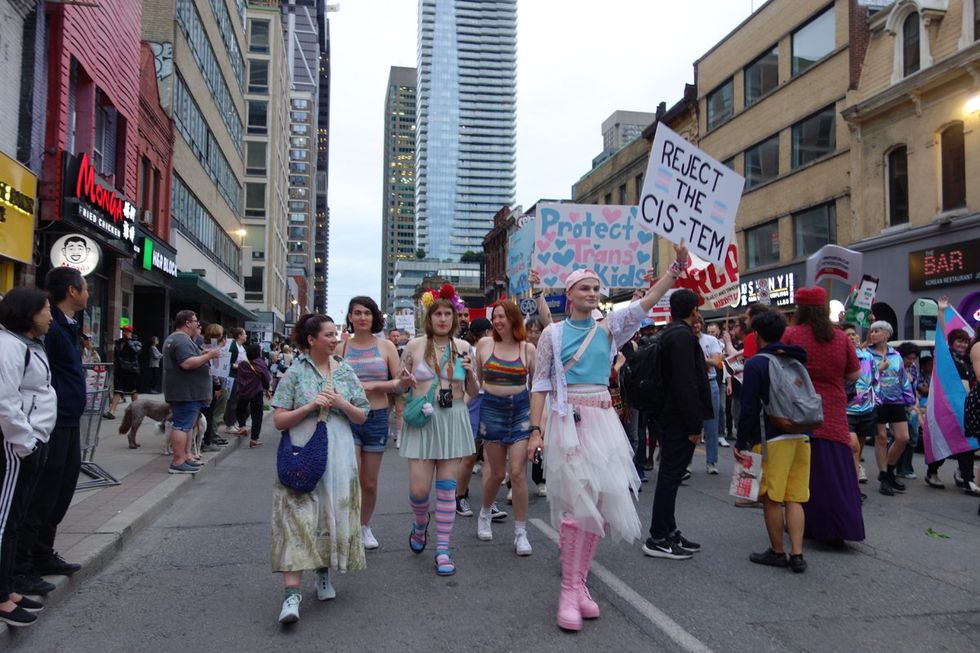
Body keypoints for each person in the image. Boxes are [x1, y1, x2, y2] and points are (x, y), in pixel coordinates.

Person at [529, 244, 686, 631]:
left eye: (596, 288)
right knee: (574, 507)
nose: (593, 294)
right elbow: (541, 384)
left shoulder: (609, 326)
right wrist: (536, 430)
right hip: (569, 421)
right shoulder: (552, 333)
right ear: (569, 294)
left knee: (597, 507)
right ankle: (568, 589)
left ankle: (580, 583)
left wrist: (675, 270)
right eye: (585, 288)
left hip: (604, 420)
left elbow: (647, 302)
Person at [270, 313, 369, 624]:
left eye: (334, 334)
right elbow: (278, 420)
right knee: (295, 518)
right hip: (301, 451)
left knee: (330, 514)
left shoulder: (346, 371)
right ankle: (291, 597)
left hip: (339, 453)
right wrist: (311, 406)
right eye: (327, 334)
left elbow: (362, 415)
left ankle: (323, 575)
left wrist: (341, 403)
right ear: (311, 340)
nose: (334, 338)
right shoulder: (295, 373)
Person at [13, 269, 88, 596]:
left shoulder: (68, 326)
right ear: (73, 291)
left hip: (69, 419)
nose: (88, 294)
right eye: (86, 288)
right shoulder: (52, 329)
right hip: (51, 423)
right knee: (42, 495)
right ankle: (22, 566)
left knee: (61, 490)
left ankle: (44, 552)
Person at [399, 284, 479, 577]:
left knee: (447, 490)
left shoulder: (465, 348)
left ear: (455, 317)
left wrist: (470, 373)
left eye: (448, 313)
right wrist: (405, 382)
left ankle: (443, 548)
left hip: (452, 417)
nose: (443, 319)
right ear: (429, 318)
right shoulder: (414, 346)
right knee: (419, 490)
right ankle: (420, 524)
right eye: (438, 314)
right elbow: (400, 385)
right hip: (422, 418)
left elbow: (474, 389)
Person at [782, 287, 864, 544]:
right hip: (834, 408)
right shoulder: (840, 338)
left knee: (805, 469)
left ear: (801, 309)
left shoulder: (791, 334)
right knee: (836, 468)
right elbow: (854, 374)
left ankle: (806, 523)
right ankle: (841, 527)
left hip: (801, 406)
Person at [735, 310, 810, 573]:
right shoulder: (796, 357)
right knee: (795, 498)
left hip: (771, 436)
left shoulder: (756, 363)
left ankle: (778, 551)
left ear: (756, 334)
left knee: (771, 498)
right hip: (802, 433)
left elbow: (748, 407)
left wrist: (742, 441)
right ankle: (798, 554)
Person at [0, 288, 58, 626]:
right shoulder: (8, 346)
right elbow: (6, 402)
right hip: (16, 446)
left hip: (30, 442)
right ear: (27, 312)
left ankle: (7, 589)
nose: (49, 315)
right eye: (45, 309)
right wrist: (26, 444)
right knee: (6, 521)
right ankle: (2, 596)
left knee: (16, 518)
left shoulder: (24, 344)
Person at [642, 288, 712, 562]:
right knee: (671, 476)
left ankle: (669, 531)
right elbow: (685, 383)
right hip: (678, 419)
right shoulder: (681, 336)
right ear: (693, 309)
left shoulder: (673, 333)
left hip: (671, 416)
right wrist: (694, 425)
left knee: (671, 475)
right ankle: (658, 536)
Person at [473, 300, 536, 555]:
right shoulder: (484, 345)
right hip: (491, 409)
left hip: (520, 411)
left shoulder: (527, 348)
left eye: (502, 317)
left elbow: (537, 386)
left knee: (518, 472)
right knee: (497, 473)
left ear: (513, 319)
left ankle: (521, 532)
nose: (498, 322)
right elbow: (476, 381)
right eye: (495, 317)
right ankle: (485, 513)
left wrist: (537, 425)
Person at [340, 296, 403, 550]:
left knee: (369, 481)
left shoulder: (386, 346)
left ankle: (364, 526)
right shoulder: (341, 349)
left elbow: (400, 383)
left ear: (374, 316)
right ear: (350, 317)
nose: (362, 317)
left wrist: (375, 385)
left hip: (377, 417)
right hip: (347, 417)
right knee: (351, 475)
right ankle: (348, 525)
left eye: (367, 312)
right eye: (357, 313)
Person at [925, 297, 979, 494]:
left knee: (969, 441)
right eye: (959, 341)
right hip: (945, 405)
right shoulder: (944, 356)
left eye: (965, 342)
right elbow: (941, 333)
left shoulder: (968, 361)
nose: (963, 345)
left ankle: (965, 477)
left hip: (964, 405)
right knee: (943, 439)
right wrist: (941, 311)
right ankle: (932, 472)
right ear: (951, 342)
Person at [162, 311, 222, 474]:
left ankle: (186, 457)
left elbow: (189, 358)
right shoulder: (181, 340)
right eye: (195, 321)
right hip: (185, 392)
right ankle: (178, 461)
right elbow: (187, 363)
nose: (198, 324)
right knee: (181, 426)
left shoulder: (178, 339)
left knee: (187, 426)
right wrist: (209, 354)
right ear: (187, 323)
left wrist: (203, 354)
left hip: (187, 392)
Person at [866, 320, 914, 496]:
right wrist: (879, 368)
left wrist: (910, 398)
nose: (873, 334)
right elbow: (864, 378)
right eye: (872, 331)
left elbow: (902, 378)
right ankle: (884, 476)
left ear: (887, 334)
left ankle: (890, 470)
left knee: (903, 438)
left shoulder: (896, 355)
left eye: (877, 331)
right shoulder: (867, 354)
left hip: (896, 400)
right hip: (877, 400)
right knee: (881, 438)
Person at [842, 323, 877, 488]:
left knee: (859, 446)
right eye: (847, 335)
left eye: (853, 334)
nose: (852, 337)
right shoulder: (840, 356)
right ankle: (851, 486)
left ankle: (853, 477)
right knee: (853, 445)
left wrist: (873, 400)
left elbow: (874, 379)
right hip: (847, 408)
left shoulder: (867, 357)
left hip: (866, 407)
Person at [694, 316, 724, 474]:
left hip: (710, 382)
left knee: (711, 423)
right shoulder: (686, 340)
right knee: (690, 424)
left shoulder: (711, 340)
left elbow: (717, 362)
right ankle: (686, 463)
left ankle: (711, 461)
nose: (696, 325)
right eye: (693, 323)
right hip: (692, 383)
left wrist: (700, 360)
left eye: (698, 323)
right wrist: (707, 360)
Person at [895, 342, 923, 480]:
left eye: (913, 358)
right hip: (899, 405)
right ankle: (896, 466)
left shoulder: (912, 368)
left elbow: (914, 388)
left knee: (913, 438)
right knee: (900, 438)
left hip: (911, 406)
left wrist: (915, 404)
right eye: (908, 358)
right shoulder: (896, 367)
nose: (910, 361)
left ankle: (906, 467)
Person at [236, 343, 272, 448]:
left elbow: (239, 377)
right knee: (257, 416)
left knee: (240, 410)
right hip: (256, 392)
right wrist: (267, 389)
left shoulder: (243, 364)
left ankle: (242, 426)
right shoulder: (261, 363)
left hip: (243, 391)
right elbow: (265, 378)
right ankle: (254, 439)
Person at [103, 325, 141, 419]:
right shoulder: (118, 342)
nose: (124, 333)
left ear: (130, 333)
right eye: (123, 331)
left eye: (126, 331)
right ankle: (111, 412)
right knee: (118, 390)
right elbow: (116, 355)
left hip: (131, 370)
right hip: (120, 370)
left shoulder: (136, 343)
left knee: (133, 391)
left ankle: (136, 411)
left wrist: (129, 341)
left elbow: (135, 352)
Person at [221, 327, 247, 434]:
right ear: (239, 335)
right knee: (231, 401)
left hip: (239, 376)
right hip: (232, 376)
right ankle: (229, 424)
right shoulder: (233, 346)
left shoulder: (242, 347)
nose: (246, 336)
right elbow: (228, 362)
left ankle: (233, 422)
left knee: (236, 401)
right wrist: (238, 366)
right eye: (244, 334)